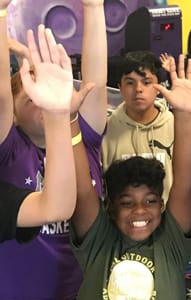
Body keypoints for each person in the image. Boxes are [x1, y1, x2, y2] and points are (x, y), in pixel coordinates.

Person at [70, 54, 191, 299]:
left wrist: (183, 115)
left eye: (150, 201)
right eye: (127, 203)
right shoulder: (99, 242)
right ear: (110, 207)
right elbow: (82, 189)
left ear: (162, 204)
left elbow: (183, 185)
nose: (139, 211)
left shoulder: (169, 242)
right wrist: (68, 119)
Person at [0, 0, 107, 297]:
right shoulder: (9, 152)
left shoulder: (82, 138)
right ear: (15, 119)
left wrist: (94, 7)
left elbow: (96, 83)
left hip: (84, 290)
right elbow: (1, 97)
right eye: (30, 94)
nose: (41, 94)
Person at [1, 21, 76, 243]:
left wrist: (57, 112)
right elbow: (4, 99)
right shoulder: (12, 148)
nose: (38, 105)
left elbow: (57, 207)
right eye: (31, 100)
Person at [102, 50, 175, 203]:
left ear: (159, 87)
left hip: (169, 220)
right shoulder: (106, 129)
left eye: (147, 82)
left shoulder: (175, 126)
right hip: (121, 223)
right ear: (119, 87)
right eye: (130, 83)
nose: (138, 89)